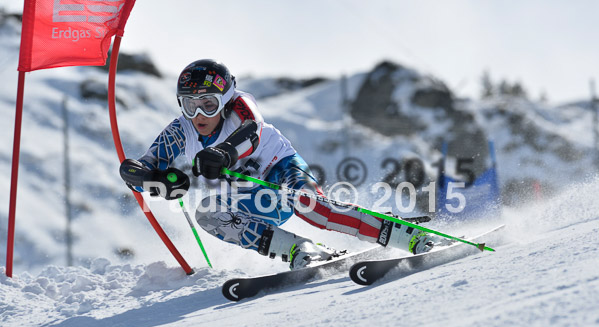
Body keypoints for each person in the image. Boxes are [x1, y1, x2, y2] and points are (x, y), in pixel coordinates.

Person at [120, 59, 434, 269]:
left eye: (208, 104)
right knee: (209, 212)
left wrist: (225, 153)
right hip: (252, 198)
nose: (199, 114)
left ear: (226, 99)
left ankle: (399, 233)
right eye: (190, 105)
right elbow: (138, 168)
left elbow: (251, 132)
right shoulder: (180, 131)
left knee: (311, 205)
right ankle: (300, 250)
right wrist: (158, 181)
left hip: (281, 170)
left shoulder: (241, 106)